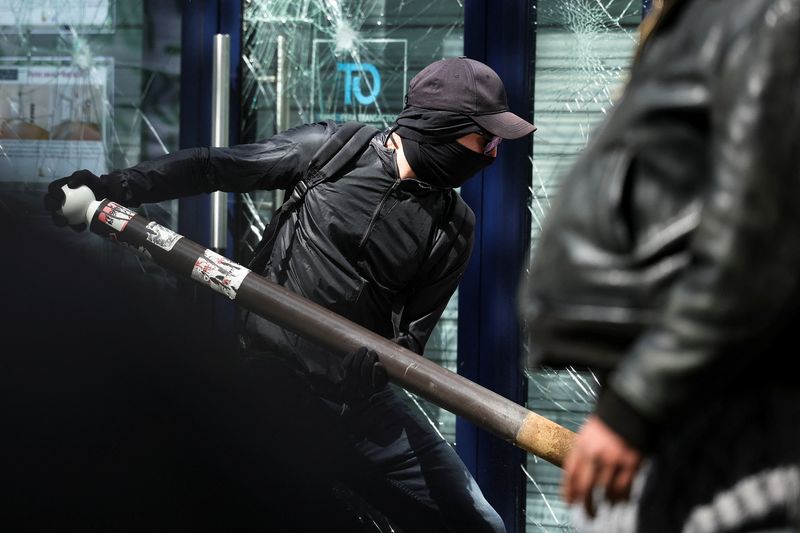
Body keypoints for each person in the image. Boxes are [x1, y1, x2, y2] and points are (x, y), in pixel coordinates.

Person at [44, 57, 535, 532]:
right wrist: (114, 186)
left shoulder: (454, 227)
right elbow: (214, 168)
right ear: (438, 126)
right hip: (269, 379)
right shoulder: (333, 151)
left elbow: (411, 339)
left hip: (357, 401)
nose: (490, 155)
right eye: (483, 139)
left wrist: (382, 366)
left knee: (477, 522)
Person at [520, 0, 800, 531]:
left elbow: (755, 241)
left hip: (721, 419)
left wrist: (634, 407)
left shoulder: (762, 16)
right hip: (689, 411)